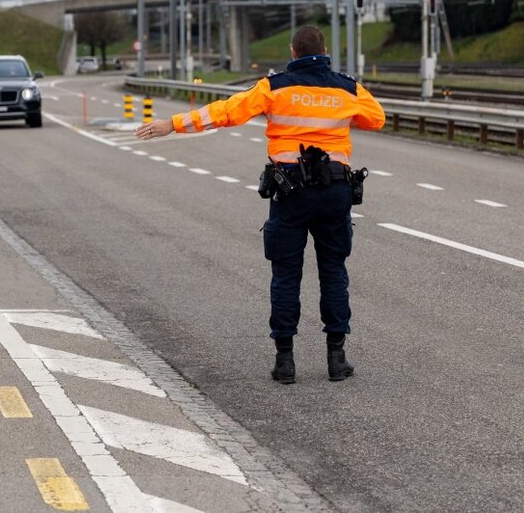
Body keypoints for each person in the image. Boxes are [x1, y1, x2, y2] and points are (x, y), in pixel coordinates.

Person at [135, 25, 385, 384]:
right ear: (324, 50)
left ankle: (285, 362)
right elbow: (376, 118)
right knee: (334, 272)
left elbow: (226, 112)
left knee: (286, 274)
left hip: (291, 190)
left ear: (293, 51)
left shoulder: (274, 86)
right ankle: (336, 358)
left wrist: (173, 124)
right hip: (334, 190)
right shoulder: (348, 87)